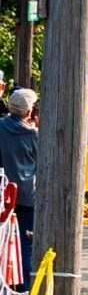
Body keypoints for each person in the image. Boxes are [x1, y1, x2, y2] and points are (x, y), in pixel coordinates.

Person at [0, 89, 37, 278]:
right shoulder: (34, 135)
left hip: (3, 194)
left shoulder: (1, 127)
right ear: (29, 111)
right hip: (28, 195)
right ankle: (25, 288)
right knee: (26, 242)